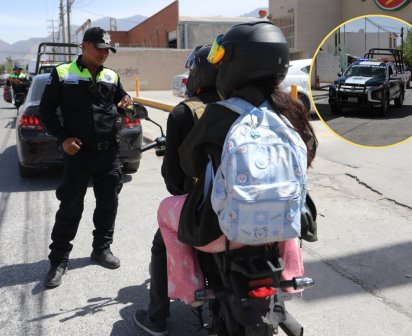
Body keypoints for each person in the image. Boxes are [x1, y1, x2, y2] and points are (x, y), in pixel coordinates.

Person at [152, 20, 318, 325]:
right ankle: (292, 275)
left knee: (165, 212)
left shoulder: (220, 112)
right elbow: (309, 153)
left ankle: (189, 290)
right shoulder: (291, 108)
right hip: (283, 230)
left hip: (223, 230)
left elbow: (188, 163)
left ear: (237, 65)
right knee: (284, 204)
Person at [134, 45, 220, 336]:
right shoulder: (246, 105)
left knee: (161, 244)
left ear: (198, 73)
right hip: (251, 206)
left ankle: (156, 318)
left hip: (203, 211)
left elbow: (173, 182)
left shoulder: (184, 113)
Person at [39, 27, 133, 288]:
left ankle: (101, 249)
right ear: (84, 46)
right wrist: (63, 138)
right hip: (78, 155)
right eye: (99, 48)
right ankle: (58, 259)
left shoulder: (112, 76)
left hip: (108, 154)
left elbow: (122, 105)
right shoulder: (62, 73)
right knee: (70, 206)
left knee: (108, 203)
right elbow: (46, 110)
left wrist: (126, 105)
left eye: (107, 50)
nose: (104, 54)